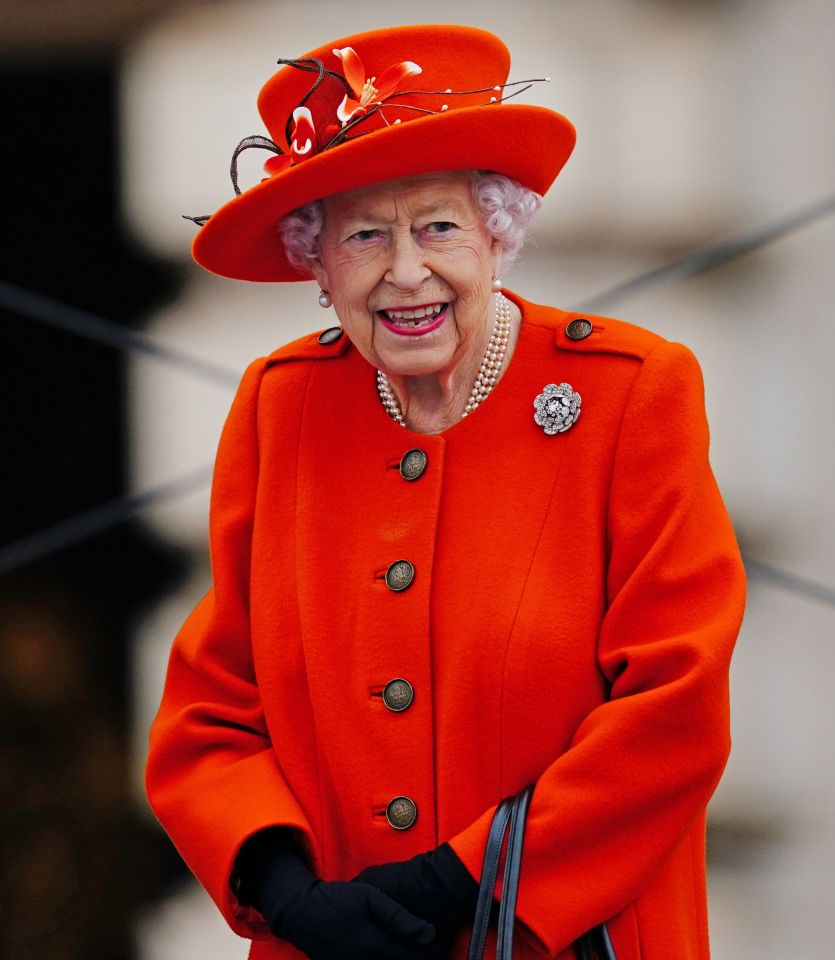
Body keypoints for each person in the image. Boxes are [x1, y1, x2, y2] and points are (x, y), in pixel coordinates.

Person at [146, 24, 746, 960]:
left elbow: (675, 704)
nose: (405, 271)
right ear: (317, 261)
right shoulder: (281, 405)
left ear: (498, 235)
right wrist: (287, 891)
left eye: (438, 226)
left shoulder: (629, 391)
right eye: (363, 235)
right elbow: (211, 711)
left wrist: (460, 879)